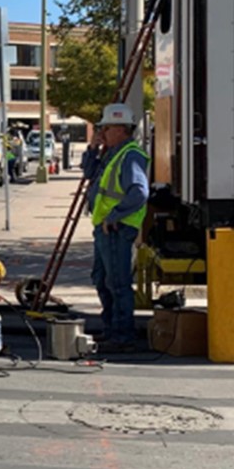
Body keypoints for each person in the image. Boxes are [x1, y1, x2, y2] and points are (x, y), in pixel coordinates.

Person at [81, 104, 150, 353]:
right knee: (102, 279)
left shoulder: (130, 155)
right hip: (105, 227)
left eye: (106, 128)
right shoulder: (113, 153)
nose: (103, 132)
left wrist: (115, 216)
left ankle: (122, 335)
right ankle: (112, 329)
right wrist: (93, 148)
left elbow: (139, 192)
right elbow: (89, 172)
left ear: (121, 129)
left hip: (116, 228)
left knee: (117, 282)